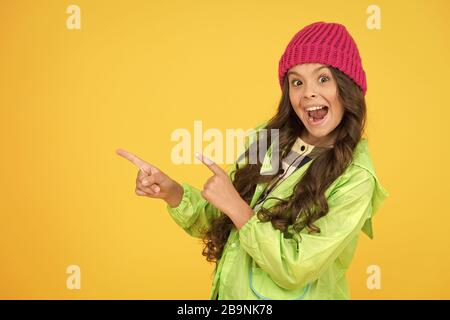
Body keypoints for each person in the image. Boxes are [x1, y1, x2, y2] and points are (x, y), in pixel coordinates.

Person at [116, 21, 389, 300]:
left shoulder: (356, 177)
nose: (308, 92)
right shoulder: (268, 139)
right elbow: (225, 221)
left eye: (323, 79)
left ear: (348, 87)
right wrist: (171, 192)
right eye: (297, 82)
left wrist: (238, 210)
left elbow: (297, 266)